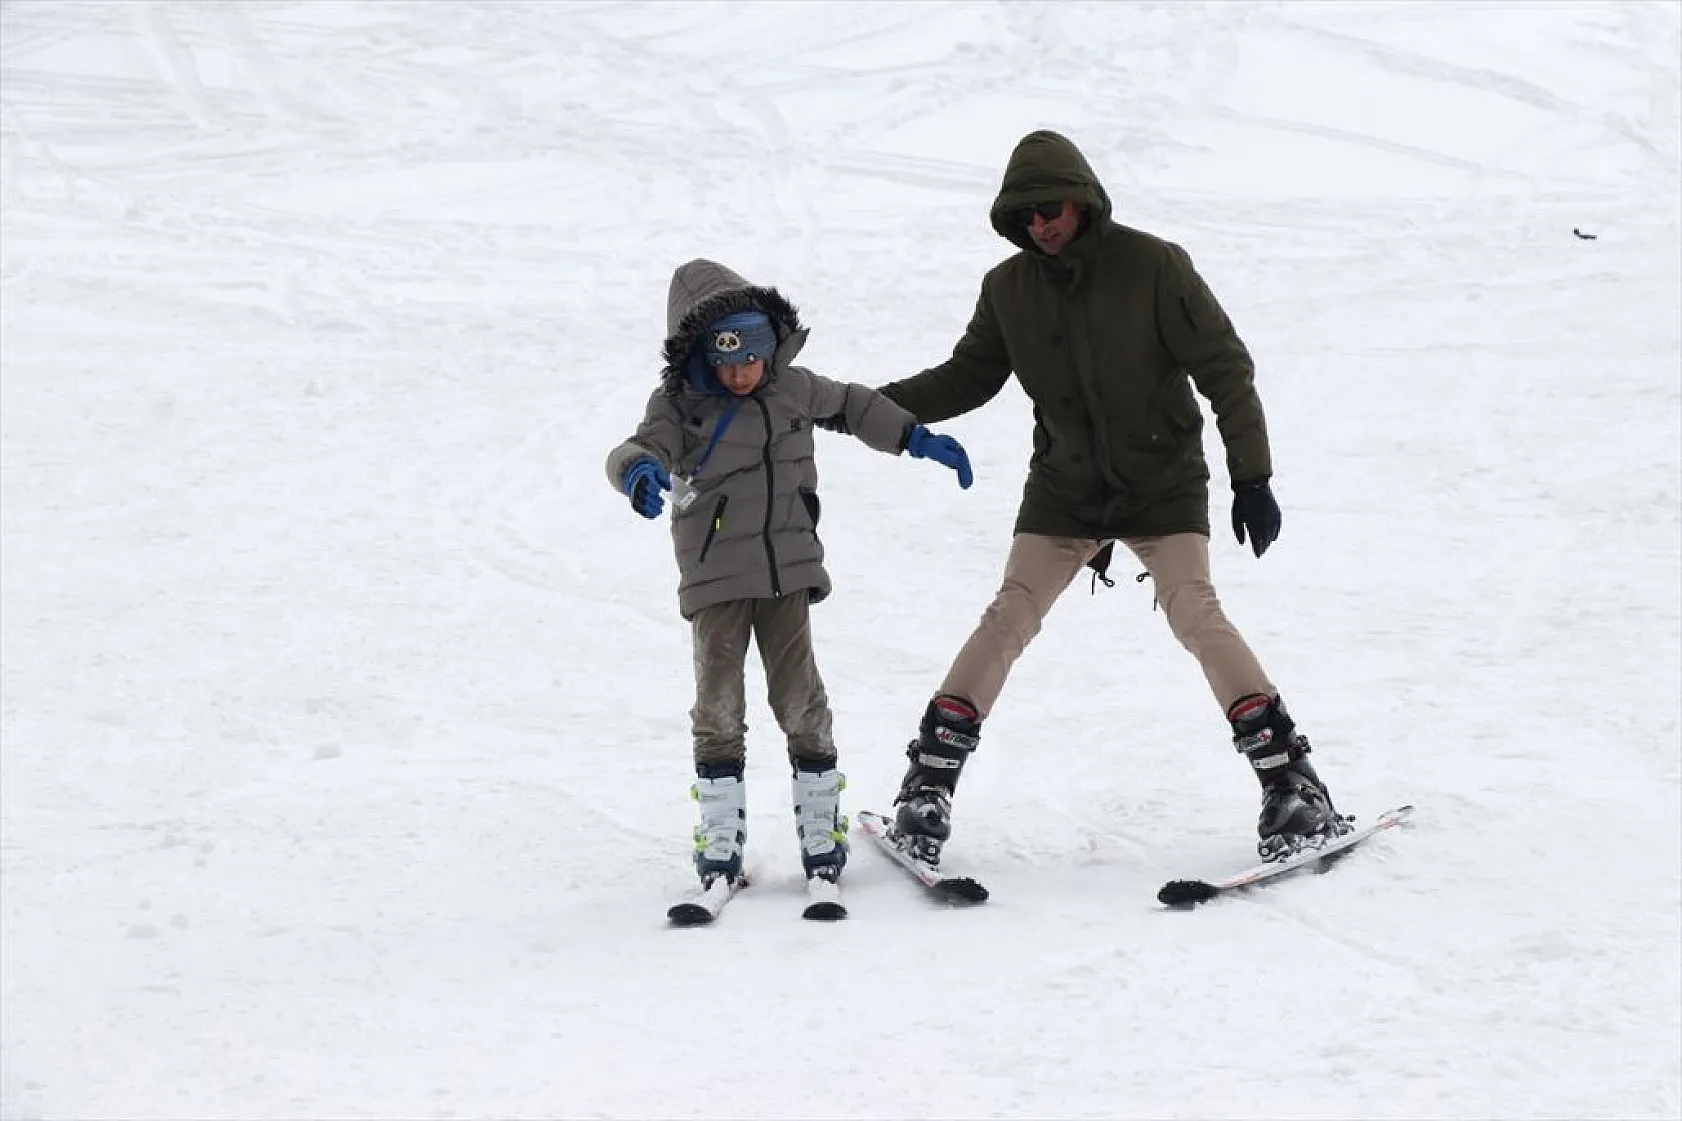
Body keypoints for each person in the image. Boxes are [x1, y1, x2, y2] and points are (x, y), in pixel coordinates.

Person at [848, 130, 1347, 864]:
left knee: (1194, 610)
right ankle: (927, 786)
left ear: (1081, 199)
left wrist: (1253, 476)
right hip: (1066, 486)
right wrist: (862, 407)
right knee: (1008, 612)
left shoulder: (1153, 267)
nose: (1039, 226)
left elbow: (1225, 368)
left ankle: (1293, 785)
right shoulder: (1009, 289)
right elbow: (966, 376)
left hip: (1163, 479)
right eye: (1023, 218)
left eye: (1048, 209)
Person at [605, 258, 974, 890]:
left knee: (802, 700)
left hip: (789, 574)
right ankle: (720, 837)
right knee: (718, 706)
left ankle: (819, 824)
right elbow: (638, 447)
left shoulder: (794, 388)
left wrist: (913, 437)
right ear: (700, 355)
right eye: (726, 362)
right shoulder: (678, 406)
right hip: (717, 576)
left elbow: (855, 406)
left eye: (751, 358)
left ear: (769, 347)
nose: (741, 373)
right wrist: (637, 473)